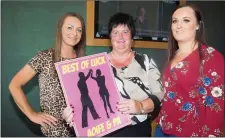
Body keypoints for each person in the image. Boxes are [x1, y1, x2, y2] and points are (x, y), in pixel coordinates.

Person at [63, 12, 164, 137]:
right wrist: (73, 114)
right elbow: (84, 100)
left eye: (125, 32)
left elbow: (159, 97)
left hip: (137, 131)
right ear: (110, 37)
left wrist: (140, 106)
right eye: (115, 32)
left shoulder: (146, 62)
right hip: (105, 132)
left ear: (132, 36)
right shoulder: (95, 64)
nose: (120, 37)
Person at [8, 12, 86, 137]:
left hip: (80, 132)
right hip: (53, 133)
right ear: (60, 29)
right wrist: (32, 114)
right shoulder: (44, 57)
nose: (74, 33)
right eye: (69, 27)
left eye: (79, 30)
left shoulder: (84, 63)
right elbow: (14, 85)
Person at [154, 4, 224, 137]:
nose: (178, 25)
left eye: (186, 20)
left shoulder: (211, 57)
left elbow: (217, 106)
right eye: (175, 21)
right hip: (163, 128)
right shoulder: (173, 54)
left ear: (198, 25)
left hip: (191, 131)